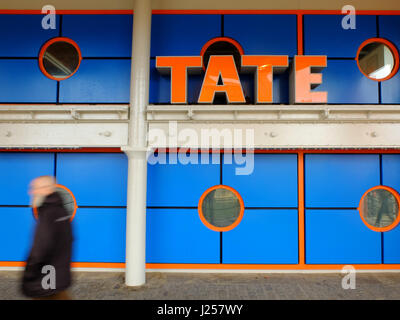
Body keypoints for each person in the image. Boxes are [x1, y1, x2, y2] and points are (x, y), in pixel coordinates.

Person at [21, 175, 73, 300]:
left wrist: (29, 274)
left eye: (35, 188)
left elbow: (40, 250)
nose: (31, 192)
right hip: (58, 274)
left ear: (47, 189)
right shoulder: (61, 210)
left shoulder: (48, 213)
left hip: (46, 277)